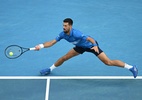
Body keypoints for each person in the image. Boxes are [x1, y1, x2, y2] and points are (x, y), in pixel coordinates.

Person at [35, 18, 138, 78]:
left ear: (70, 26)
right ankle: (50, 69)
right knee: (64, 58)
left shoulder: (77, 34)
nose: (63, 27)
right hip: (80, 47)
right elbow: (52, 42)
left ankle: (131, 68)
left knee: (108, 62)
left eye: (65, 26)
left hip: (91, 46)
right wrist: (41, 45)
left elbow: (91, 39)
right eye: (63, 25)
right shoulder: (63, 34)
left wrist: (95, 46)